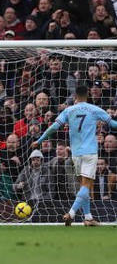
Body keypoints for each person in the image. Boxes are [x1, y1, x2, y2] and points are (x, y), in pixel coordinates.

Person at [33, 85, 117, 226]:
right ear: (87, 94)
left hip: (75, 154)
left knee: (82, 186)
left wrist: (39, 140)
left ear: (75, 96)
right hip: (90, 152)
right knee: (87, 185)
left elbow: (54, 127)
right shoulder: (95, 109)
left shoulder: (69, 110)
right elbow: (113, 124)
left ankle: (88, 217)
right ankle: (71, 213)